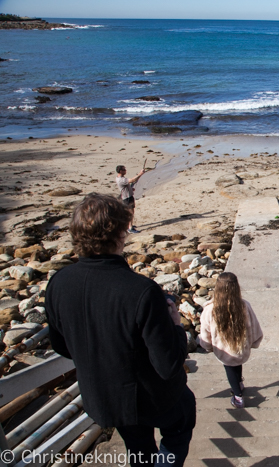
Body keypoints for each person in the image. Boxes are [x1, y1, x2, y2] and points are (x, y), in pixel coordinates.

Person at [45, 193, 195, 467]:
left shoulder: (58, 283)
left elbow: (61, 347)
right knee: (182, 419)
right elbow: (168, 365)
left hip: (104, 398)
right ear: (120, 235)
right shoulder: (141, 290)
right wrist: (175, 325)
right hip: (152, 400)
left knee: (138, 449)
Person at [199, 273, 263, 409]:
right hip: (241, 346)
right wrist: (254, 341)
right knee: (237, 363)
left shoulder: (210, 309)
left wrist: (208, 346)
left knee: (229, 368)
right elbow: (254, 325)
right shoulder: (244, 305)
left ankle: (238, 396)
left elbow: (205, 332)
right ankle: (239, 383)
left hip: (223, 349)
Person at [116, 164, 145, 234]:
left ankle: (128, 225)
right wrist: (140, 173)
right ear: (120, 171)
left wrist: (130, 189)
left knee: (129, 212)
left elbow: (126, 186)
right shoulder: (121, 179)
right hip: (127, 198)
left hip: (126, 197)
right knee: (130, 213)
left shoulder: (119, 178)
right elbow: (132, 180)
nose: (126, 170)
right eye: (124, 169)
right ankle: (130, 228)